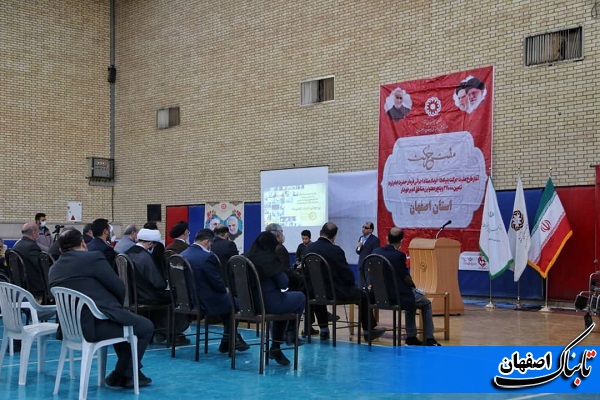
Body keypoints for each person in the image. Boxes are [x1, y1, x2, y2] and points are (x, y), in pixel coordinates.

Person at [48, 227, 154, 388]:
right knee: (145, 326)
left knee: (124, 322)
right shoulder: (92, 258)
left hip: (70, 329)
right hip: (93, 326)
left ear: (60, 247)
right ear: (83, 243)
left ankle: (130, 374)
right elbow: (118, 286)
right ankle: (120, 373)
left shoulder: (54, 269)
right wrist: (116, 307)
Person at [305, 222, 386, 341]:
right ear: (334, 236)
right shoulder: (336, 250)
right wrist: (351, 285)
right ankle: (368, 331)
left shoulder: (308, 249)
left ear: (320, 232)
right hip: (335, 292)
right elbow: (346, 275)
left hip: (314, 292)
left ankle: (324, 330)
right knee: (363, 295)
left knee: (319, 292)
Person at [180, 229, 249, 354]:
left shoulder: (182, 254)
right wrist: (226, 289)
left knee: (227, 304)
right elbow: (217, 282)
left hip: (188, 300)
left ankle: (229, 339)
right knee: (237, 304)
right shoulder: (206, 257)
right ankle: (228, 339)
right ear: (207, 241)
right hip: (205, 301)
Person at [372, 227, 441, 346]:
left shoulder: (375, 252)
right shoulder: (399, 255)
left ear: (387, 238)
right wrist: (414, 288)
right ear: (401, 241)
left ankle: (412, 337)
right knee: (426, 303)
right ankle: (429, 338)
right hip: (397, 296)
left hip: (378, 295)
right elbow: (406, 278)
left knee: (411, 300)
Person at [245, 230, 305, 366]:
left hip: (248, 304)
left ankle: (277, 345)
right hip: (268, 303)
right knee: (300, 297)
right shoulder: (269, 259)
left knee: (284, 306)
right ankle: (286, 337)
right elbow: (283, 283)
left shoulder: (245, 258)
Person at [126, 228, 189, 345]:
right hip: (146, 296)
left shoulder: (126, 253)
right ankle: (170, 333)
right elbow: (158, 283)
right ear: (150, 243)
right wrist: (166, 283)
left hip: (132, 296)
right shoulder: (145, 257)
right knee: (176, 296)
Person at [12, 223, 46, 301]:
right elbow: (41, 266)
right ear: (34, 233)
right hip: (33, 288)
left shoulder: (17, 246)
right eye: (38, 232)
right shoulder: (32, 247)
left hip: (20, 285)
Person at [355, 221, 380, 289]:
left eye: (366, 228)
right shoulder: (361, 238)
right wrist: (359, 247)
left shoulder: (375, 240)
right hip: (361, 265)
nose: (363, 229)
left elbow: (375, 253)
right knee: (360, 286)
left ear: (370, 230)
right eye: (363, 227)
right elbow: (358, 252)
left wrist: (371, 265)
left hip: (368, 266)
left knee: (368, 286)